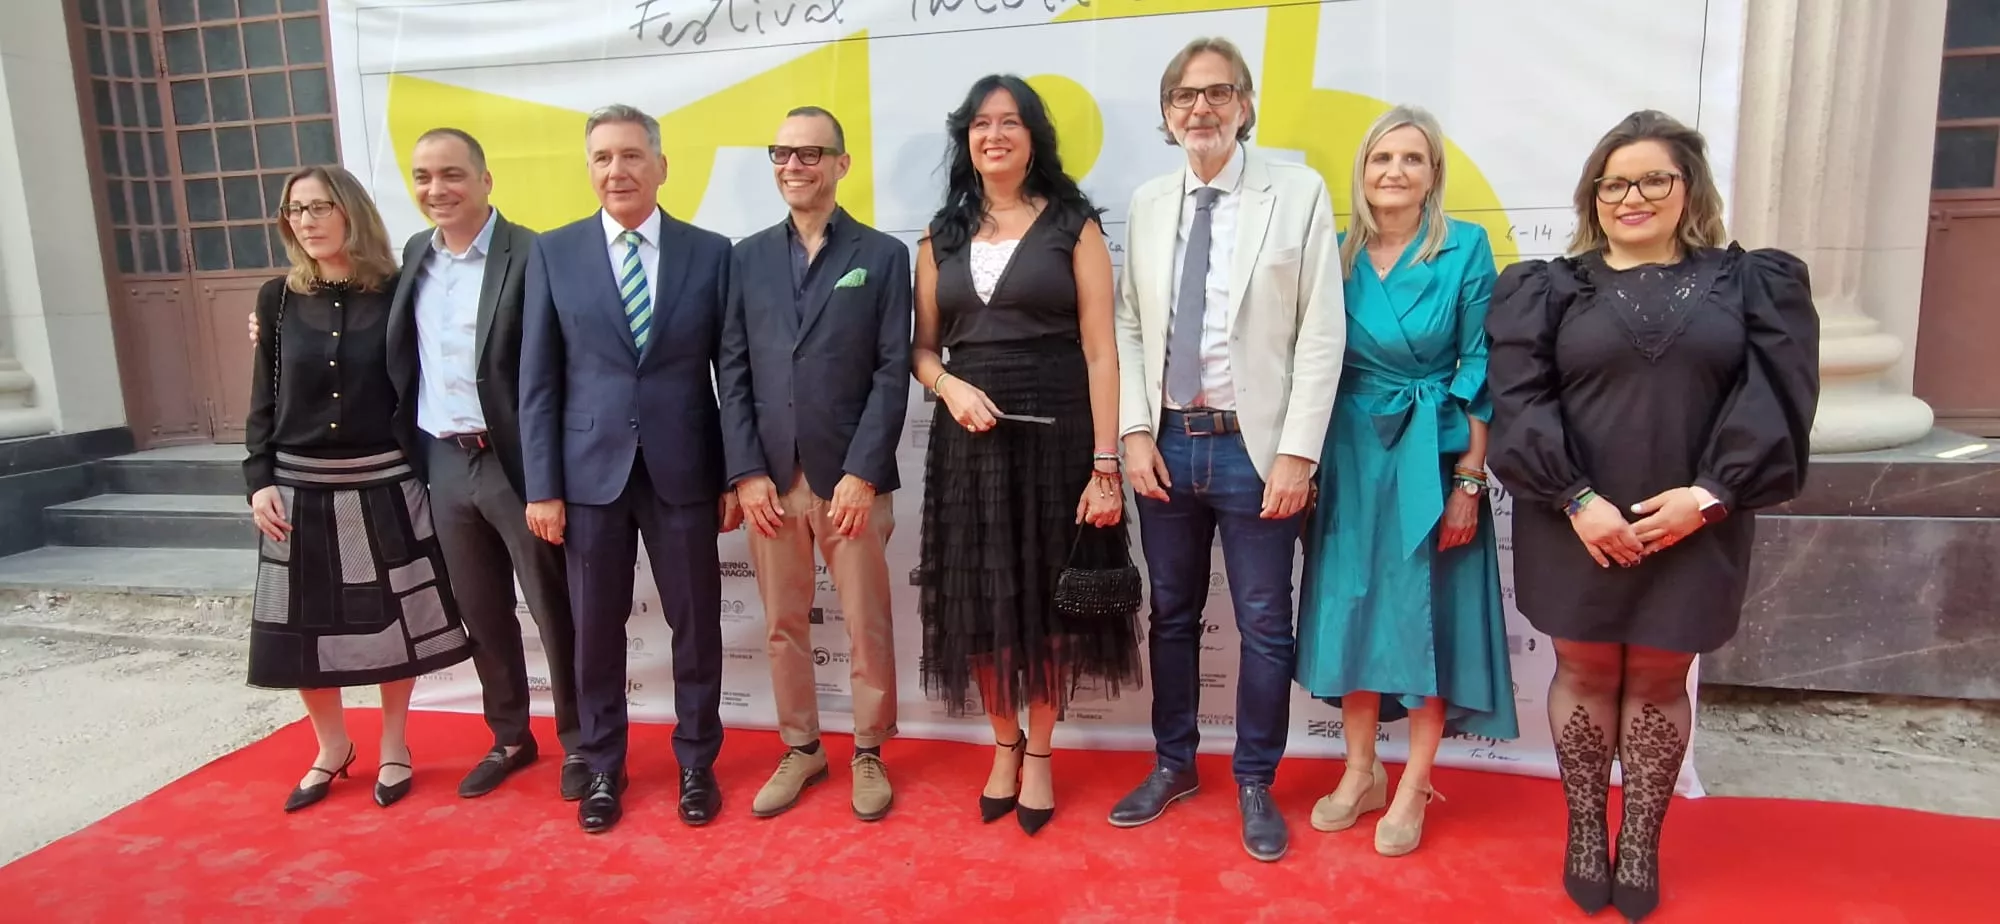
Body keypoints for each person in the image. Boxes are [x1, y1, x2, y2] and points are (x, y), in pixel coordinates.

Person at [1486, 110, 1818, 921]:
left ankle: (1639, 841)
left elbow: (1778, 398)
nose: (1631, 197)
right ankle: (1585, 831)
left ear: (1688, 188)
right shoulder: (1546, 288)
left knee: (1663, 678)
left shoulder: (1752, 282)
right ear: (1593, 197)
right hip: (1574, 519)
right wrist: (1576, 499)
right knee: (1586, 672)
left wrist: (1707, 496)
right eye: (1614, 184)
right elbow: (1519, 400)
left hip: (1698, 520)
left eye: (1652, 180)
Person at [249, 129, 589, 804]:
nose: (438, 189)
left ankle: (583, 742)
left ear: (485, 179)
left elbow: (567, 361)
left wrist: (551, 475)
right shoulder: (414, 259)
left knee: (554, 609)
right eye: (424, 177)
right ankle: (510, 737)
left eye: (452, 174)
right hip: (441, 463)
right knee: (482, 613)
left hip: (517, 463)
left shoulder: (534, 253)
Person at [1106, 37, 1346, 863]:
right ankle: (1174, 763)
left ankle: (1254, 780)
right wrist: (1134, 431)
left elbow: (1321, 330)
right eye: (1184, 95)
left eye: (1218, 92)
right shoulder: (1147, 202)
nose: (1200, 108)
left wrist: (1298, 453)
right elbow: (1131, 324)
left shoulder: (1297, 192)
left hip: (1257, 449)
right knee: (1171, 615)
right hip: (1169, 444)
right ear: (1167, 114)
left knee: (1265, 624)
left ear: (1245, 105)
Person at [910, 74, 1134, 837]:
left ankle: (1040, 751)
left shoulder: (1075, 224)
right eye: (981, 123)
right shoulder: (938, 235)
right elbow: (922, 350)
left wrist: (1106, 465)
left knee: (1049, 602)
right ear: (965, 139)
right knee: (980, 601)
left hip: (1058, 437)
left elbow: (1102, 353)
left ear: (1033, 137)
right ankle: (1002, 744)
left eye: (1010, 122)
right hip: (968, 446)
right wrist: (948, 387)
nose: (994, 135)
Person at [1294, 105, 1519, 857]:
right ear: (1361, 173)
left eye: (1412, 159)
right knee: (1354, 608)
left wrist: (1469, 480)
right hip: (1350, 454)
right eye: (1381, 158)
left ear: (1433, 174)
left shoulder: (1465, 247)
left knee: (1429, 615)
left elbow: (1481, 364)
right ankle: (1360, 771)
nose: (1394, 171)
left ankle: (1416, 781)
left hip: (1432, 453)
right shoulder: (1334, 252)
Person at [518, 104, 743, 835]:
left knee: (695, 625)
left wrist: (735, 474)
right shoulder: (554, 253)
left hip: (685, 469)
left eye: (631, 156)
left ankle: (696, 762)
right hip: (588, 477)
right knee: (594, 631)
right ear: (589, 169)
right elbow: (538, 381)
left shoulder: (711, 253)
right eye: (602, 158)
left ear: (661, 166)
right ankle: (603, 765)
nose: (617, 170)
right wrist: (543, 487)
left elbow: (732, 376)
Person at [244, 164, 474, 813]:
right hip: (298, 486)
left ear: (350, 211)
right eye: (295, 210)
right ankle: (332, 746)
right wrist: (257, 478)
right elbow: (263, 394)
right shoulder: (276, 300)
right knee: (298, 631)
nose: (306, 221)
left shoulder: (399, 292)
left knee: (395, 624)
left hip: (385, 480)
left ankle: (395, 744)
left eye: (319, 207)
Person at [718, 106, 912, 822]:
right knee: (782, 624)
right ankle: (801, 748)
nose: (793, 166)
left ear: (841, 164)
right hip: (772, 480)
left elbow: (892, 371)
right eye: (782, 153)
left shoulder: (882, 255)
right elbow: (732, 371)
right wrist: (746, 472)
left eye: (809, 154)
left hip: (851, 480)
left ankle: (868, 750)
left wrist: (864, 472)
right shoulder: (744, 258)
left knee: (866, 623)